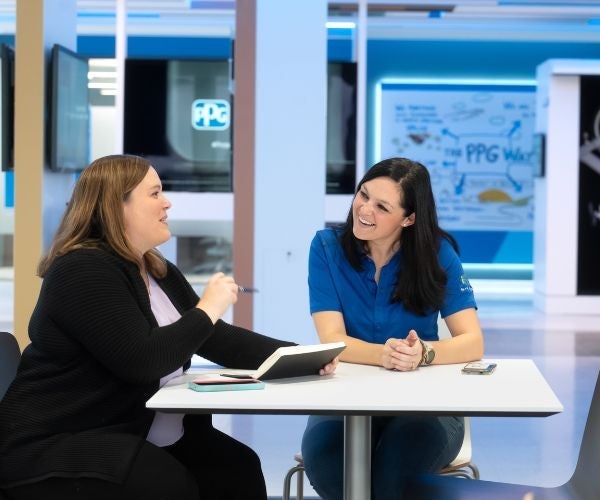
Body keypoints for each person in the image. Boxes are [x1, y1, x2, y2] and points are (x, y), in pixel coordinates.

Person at [0, 154, 337, 500]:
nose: (167, 202)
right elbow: (143, 360)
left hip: (135, 434)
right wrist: (207, 309)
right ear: (117, 207)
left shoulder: (155, 268)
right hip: (61, 441)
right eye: (155, 193)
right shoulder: (82, 271)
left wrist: (300, 356)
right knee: (168, 483)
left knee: (238, 469)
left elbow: (217, 339)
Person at [300, 157, 484, 500]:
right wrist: (386, 355)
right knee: (334, 476)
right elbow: (332, 338)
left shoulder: (438, 254)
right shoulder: (325, 248)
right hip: (343, 399)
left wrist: (423, 353)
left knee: (392, 483)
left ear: (409, 218)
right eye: (363, 195)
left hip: (425, 406)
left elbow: (472, 342)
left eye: (382, 206)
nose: (364, 209)